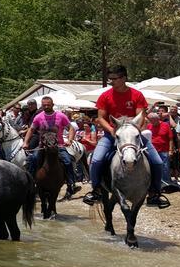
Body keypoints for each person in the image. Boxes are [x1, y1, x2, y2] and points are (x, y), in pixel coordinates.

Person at [83, 65, 167, 207]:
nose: (111, 82)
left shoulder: (136, 95)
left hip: (133, 135)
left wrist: (133, 129)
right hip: (112, 135)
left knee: (158, 162)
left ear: (124, 78)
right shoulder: (105, 96)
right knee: (96, 160)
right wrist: (111, 130)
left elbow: (140, 116)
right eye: (110, 79)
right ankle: (95, 190)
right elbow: (101, 118)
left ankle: (154, 194)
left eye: (114, 79)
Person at [22, 96, 78, 199]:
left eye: (48, 105)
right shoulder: (39, 116)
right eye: (44, 105)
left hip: (58, 146)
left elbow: (71, 128)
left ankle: (71, 183)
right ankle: (30, 183)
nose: (46, 106)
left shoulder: (61, 116)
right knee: (32, 159)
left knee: (68, 161)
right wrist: (26, 142)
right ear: (42, 105)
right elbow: (31, 129)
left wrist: (70, 140)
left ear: (52, 104)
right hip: (42, 146)